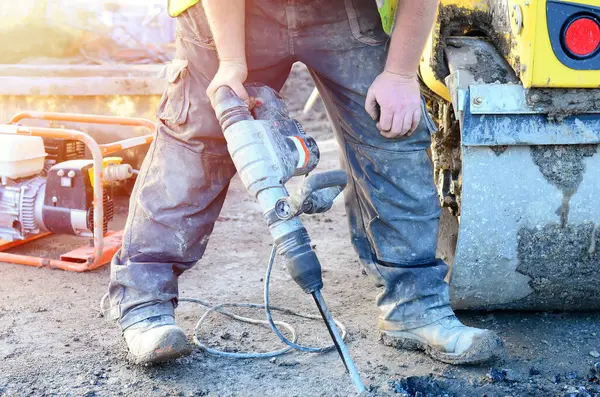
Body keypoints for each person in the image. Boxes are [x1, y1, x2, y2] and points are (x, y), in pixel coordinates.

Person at [105, 0, 504, 365]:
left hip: (343, 9)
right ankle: (145, 304)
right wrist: (231, 64)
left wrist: (399, 75)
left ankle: (415, 306)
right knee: (200, 134)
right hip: (231, 13)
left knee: (392, 124)